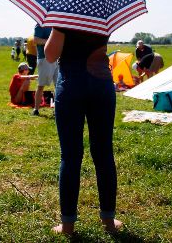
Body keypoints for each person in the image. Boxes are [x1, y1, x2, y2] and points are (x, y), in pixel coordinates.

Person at [45, 27, 123, 236]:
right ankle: (108, 220)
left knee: (70, 157)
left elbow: (50, 55)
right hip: (101, 84)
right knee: (104, 154)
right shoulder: (101, 11)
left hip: (71, 84)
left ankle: (68, 226)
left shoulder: (65, 13)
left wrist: (57, 25)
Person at [32, 23, 56, 116]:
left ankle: (56, 109)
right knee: (41, 85)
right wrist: (50, 41)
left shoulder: (55, 26)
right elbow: (36, 40)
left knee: (58, 85)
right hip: (44, 58)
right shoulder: (40, 25)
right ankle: (36, 109)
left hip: (57, 58)